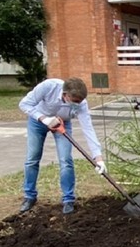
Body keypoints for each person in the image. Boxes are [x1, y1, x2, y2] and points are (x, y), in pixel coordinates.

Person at [18, 78, 106, 215]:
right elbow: (24, 104)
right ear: (65, 94)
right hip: (38, 121)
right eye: (75, 101)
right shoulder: (48, 87)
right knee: (32, 158)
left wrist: (98, 158)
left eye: (80, 101)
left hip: (63, 124)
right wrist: (44, 119)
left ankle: (68, 199)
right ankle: (29, 196)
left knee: (66, 160)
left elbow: (88, 129)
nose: (78, 104)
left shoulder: (81, 103)